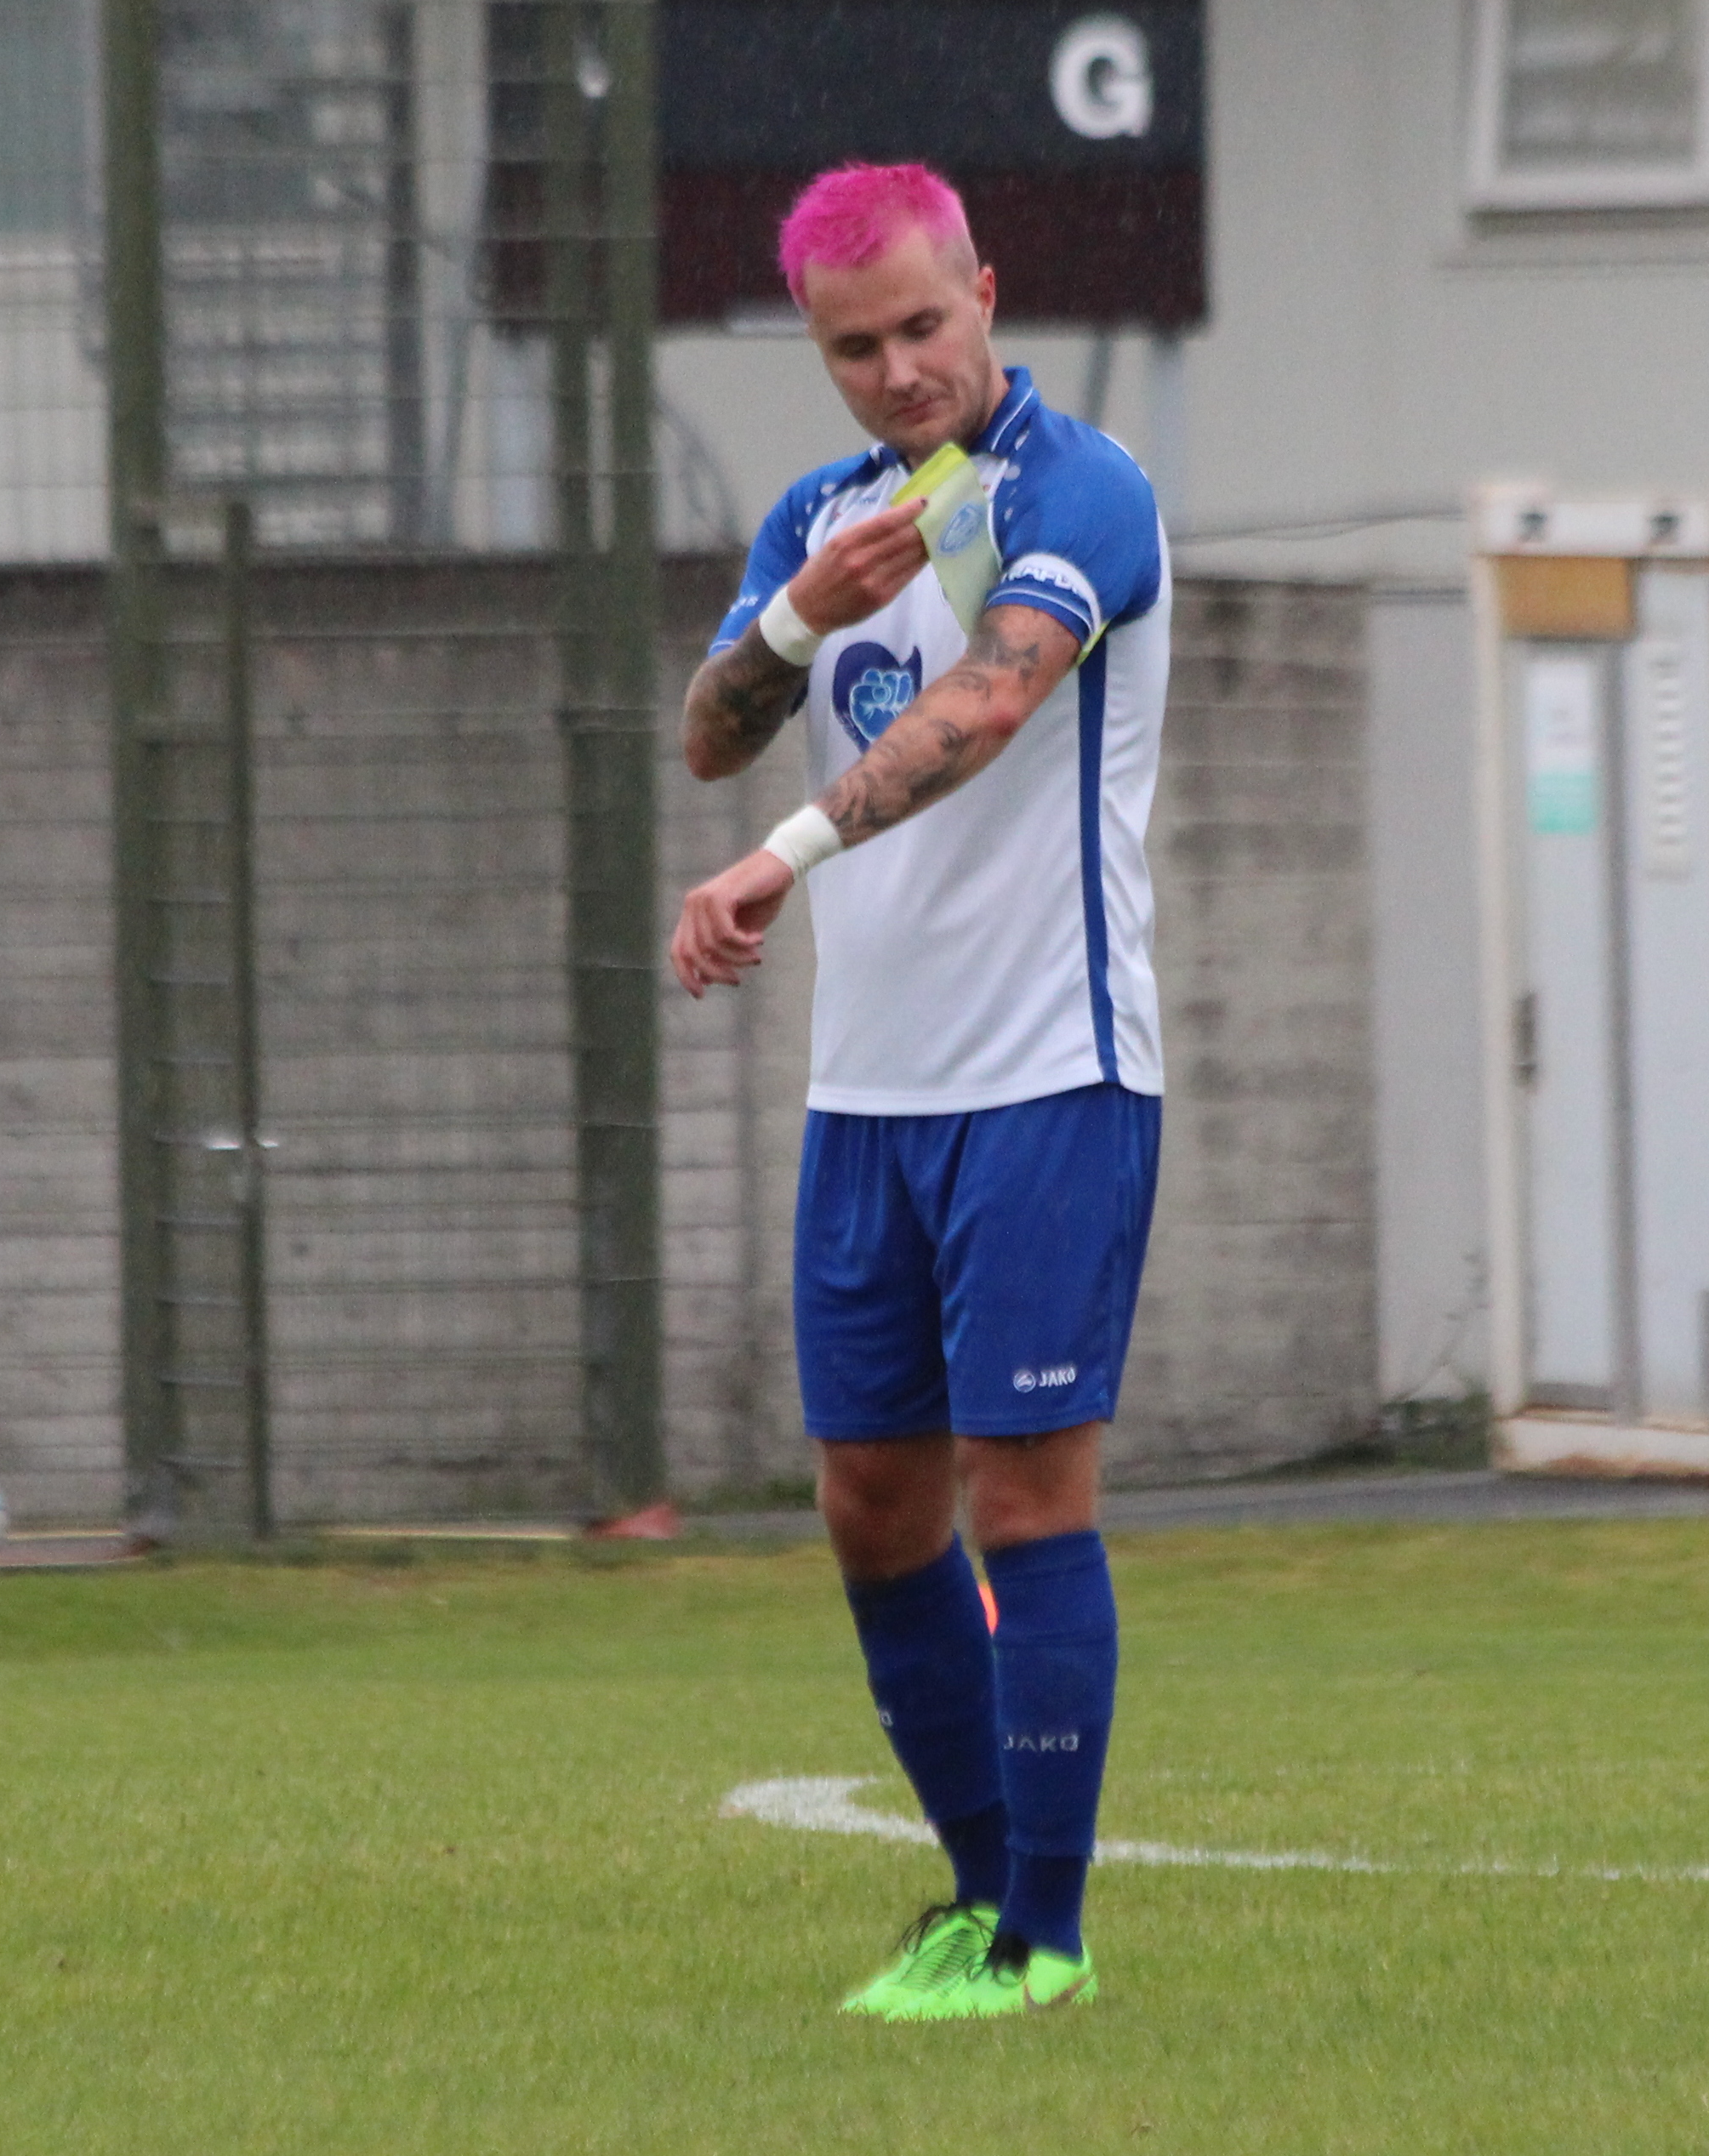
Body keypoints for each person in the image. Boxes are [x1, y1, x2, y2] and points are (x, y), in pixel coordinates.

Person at [669, 162, 1169, 2022]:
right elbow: (707, 727)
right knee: (872, 1504)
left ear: (983, 290)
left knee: (1024, 1496)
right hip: (867, 1099)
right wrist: (792, 621)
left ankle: (1045, 1937)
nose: (897, 371)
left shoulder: (1080, 490)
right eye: (855, 348)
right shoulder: (817, 520)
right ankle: (973, 1901)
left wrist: (779, 855)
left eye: (921, 325)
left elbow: (988, 705)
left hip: (1050, 1069)